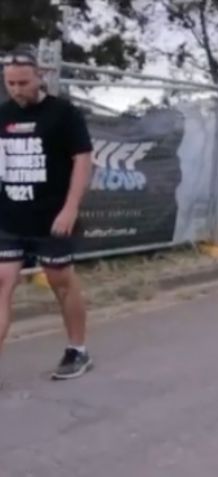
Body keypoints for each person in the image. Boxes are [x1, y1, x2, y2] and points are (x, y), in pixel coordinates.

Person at [0, 49, 94, 380]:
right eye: (10, 83)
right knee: (2, 281)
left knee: (60, 282)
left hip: (52, 218)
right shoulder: (2, 114)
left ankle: (78, 350)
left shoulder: (63, 113)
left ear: (39, 76)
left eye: (23, 82)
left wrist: (70, 209)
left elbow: (83, 160)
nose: (17, 89)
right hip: (9, 218)